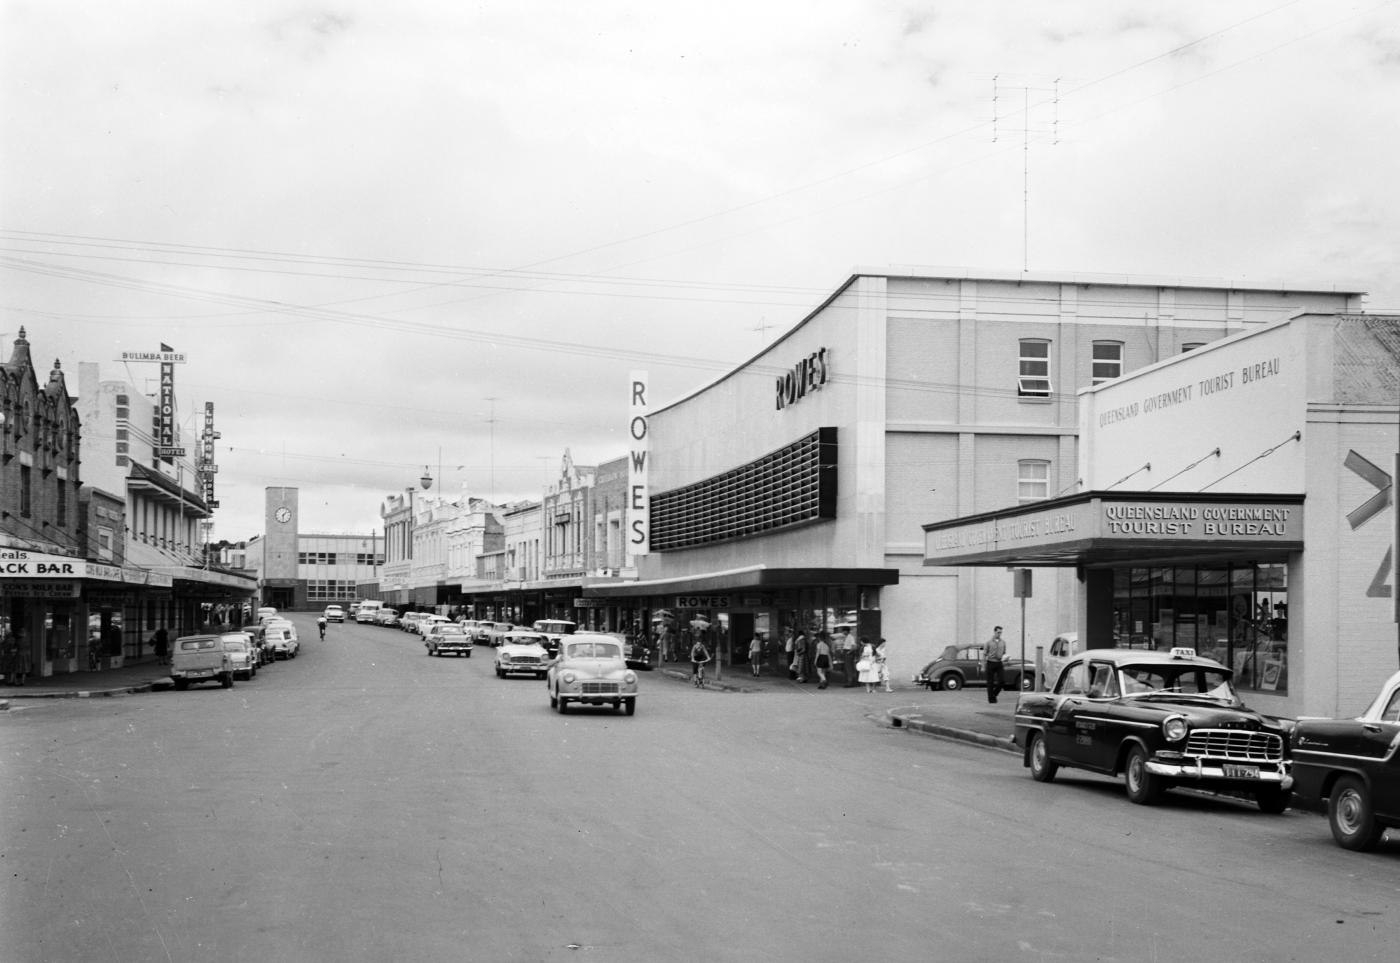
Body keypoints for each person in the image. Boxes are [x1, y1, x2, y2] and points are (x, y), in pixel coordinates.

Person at [984, 625, 1006, 703]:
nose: (999, 634)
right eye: (998, 632)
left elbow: (1004, 652)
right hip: (990, 663)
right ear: (994, 632)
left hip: (999, 663)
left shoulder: (1003, 642)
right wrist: (983, 666)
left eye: (1000, 633)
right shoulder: (988, 642)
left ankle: (994, 694)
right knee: (990, 682)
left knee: (1002, 681)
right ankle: (991, 699)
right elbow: (984, 654)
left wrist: (1004, 658)